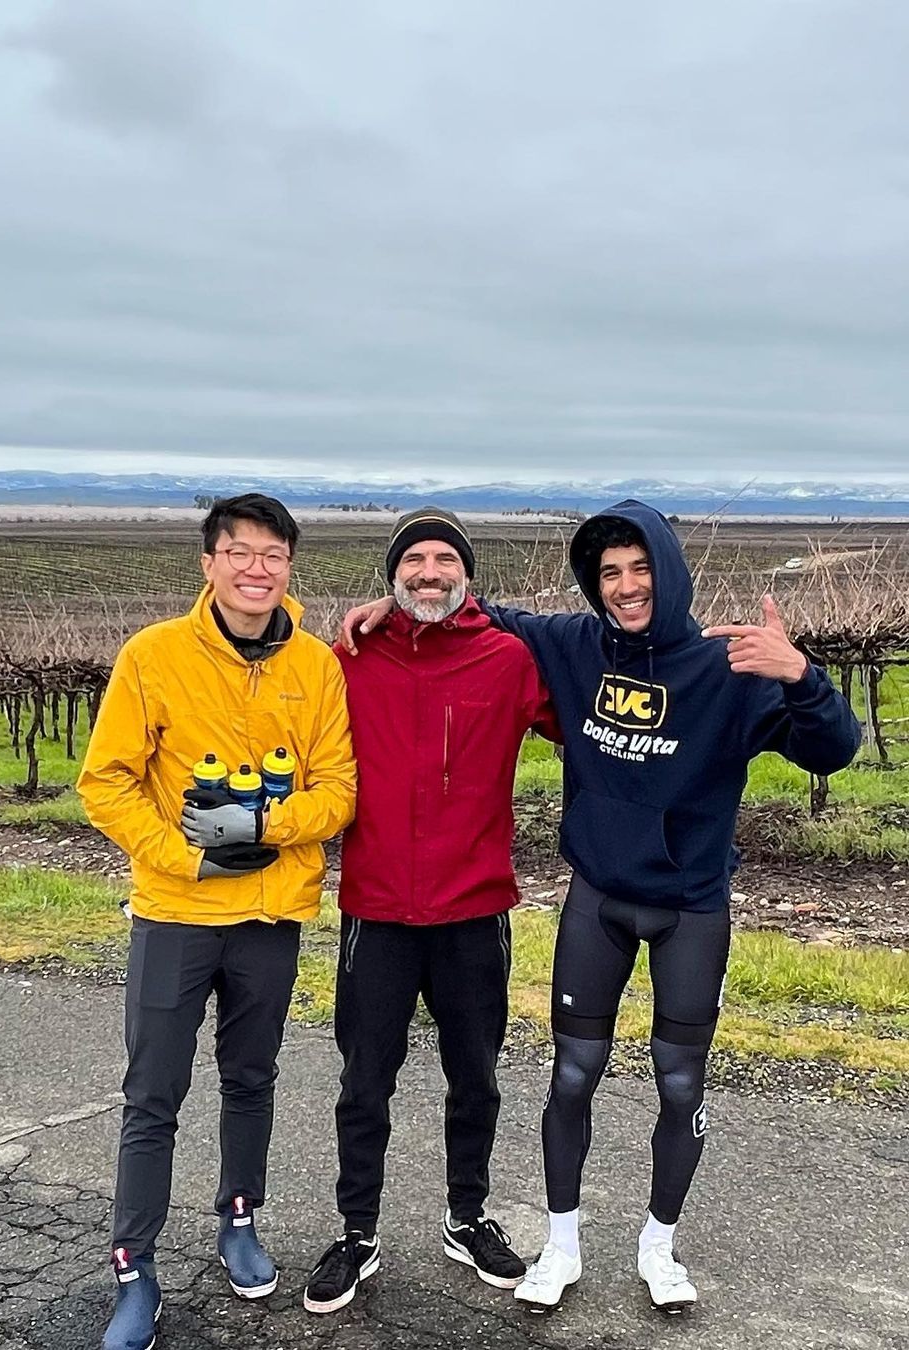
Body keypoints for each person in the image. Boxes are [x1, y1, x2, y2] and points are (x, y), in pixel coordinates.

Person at [340, 499, 859, 1314]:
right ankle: (562, 1244)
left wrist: (801, 675)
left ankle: (660, 1248)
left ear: (669, 569)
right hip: (598, 899)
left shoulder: (729, 667)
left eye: (640, 568)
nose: (625, 586)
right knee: (573, 1075)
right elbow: (469, 607)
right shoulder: (572, 646)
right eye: (609, 572)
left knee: (679, 1082)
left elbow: (835, 749)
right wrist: (397, 601)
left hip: (691, 906)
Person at [78, 493, 356, 1350]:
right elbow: (106, 782)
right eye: (239, 551)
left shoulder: (315, 666)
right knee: (152, 1095)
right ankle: (135, 1269)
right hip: (175, 912)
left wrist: (266, 828)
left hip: (270, 915)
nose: (257, 568)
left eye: (273, 554)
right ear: (209, 563)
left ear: (289, 567)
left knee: (251, 1079)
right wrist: (182, 854)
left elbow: (339, 790)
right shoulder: (153, 655)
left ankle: (239, 1220)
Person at [303, 508, 562, 1315]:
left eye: (444, 559)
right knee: (363, 1082)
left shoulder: (507, 659)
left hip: (473, 910)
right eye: (412, 560)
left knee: (475, 1078)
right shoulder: (349, 656)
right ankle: (357, 1233)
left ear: (468, 575)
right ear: (391, 576)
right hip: (375, 910)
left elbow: (587, 723)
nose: (427, 572)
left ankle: (465, 1215)